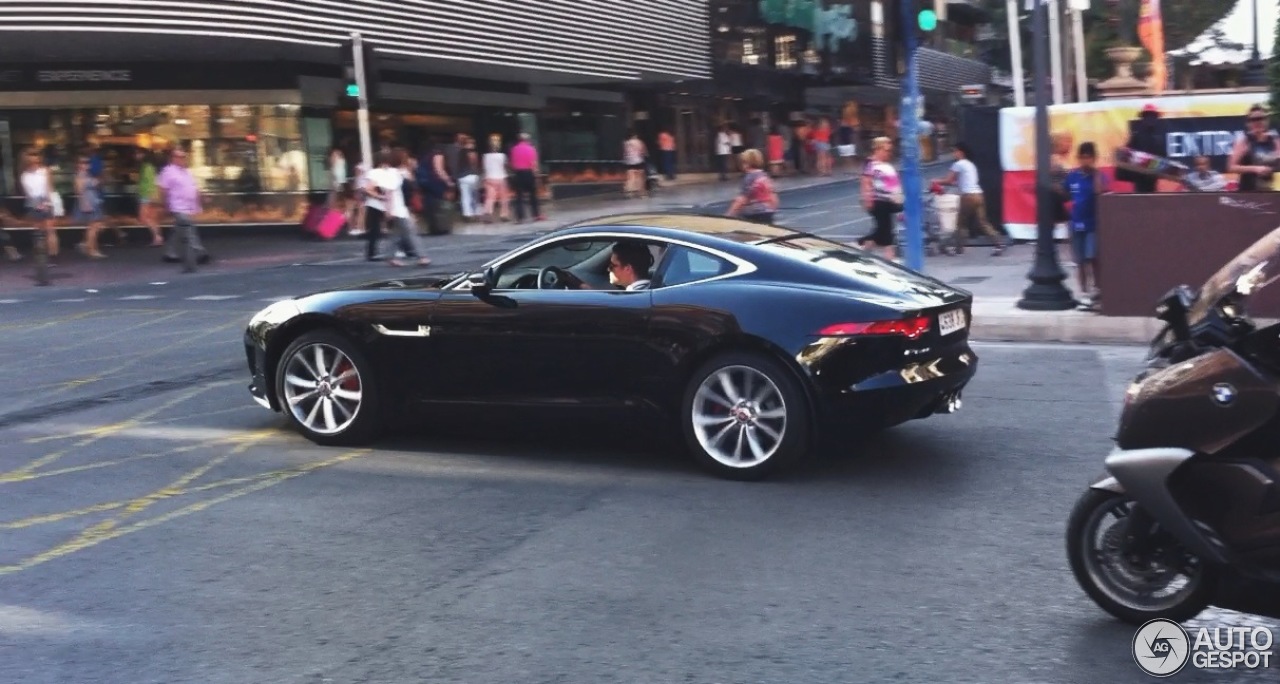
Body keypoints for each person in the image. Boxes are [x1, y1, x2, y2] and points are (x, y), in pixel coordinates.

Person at [1063, 142, 1109, 311]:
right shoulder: (1072, 176)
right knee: (1080, 261)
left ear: (1094, 158)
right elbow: (1065, 194)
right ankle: (1084, 293)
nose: (1085, 160)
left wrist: (1095, 172)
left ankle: (1098, 290)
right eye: (1083, 157)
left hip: (1093, 225)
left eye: (1089, 157)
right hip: (1076, 224)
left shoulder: (1099, 176)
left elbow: (1100, 191)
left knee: (1093, 258)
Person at [939, 142, 1006, 256]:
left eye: (954, 151)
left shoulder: (958, 164)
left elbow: (949, 180)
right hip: (978, 194)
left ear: (960, 152)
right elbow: (962, 181)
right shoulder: (970, 165)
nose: (953, 154)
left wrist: (935, 181)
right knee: (983, 222)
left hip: (968, 196)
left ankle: (958, 248)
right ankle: (998, 243)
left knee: (961, 223)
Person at [860, 136, 902, 261]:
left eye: (890, 150)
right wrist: (868, 199)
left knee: (883, 229)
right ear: (877, 149)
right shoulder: (870, 163)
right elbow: (865, 181)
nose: (889, 153)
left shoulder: (885, 164)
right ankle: (889, 257)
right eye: (886, 150)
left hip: (889, 200)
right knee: (886, 229)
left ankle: (865, 249)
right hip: (878, 200)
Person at [1228, 104, 1280, 192]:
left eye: (1260, 118)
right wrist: (1255, 169)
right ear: (1248, 123)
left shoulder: (1274, 141)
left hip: (1268, 190)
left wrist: (1272, 167)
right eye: (1253, 120)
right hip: (1248, 192)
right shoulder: (1244, 141)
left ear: (1266, 121)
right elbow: (1231, 167)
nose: (1257, 122)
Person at [1116, 103, 1165, 193]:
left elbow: (1164, 160)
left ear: (1156, 118)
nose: (1150, 119)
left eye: (1153, 116)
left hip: (1153, 180)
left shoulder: (1159, 139)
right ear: (1143, 118)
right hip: (1139, 181)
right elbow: (1126, 155)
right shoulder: (1136, 137)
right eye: (1147, 116)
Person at [566, 241, 653, 291]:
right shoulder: (646, 289)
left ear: (627, 269)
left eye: (612, 266)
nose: (608, 269)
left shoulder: (633, 296)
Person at [724, 149, 777, 224]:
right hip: (767, 210)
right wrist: (772, 209)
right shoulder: (764, 175)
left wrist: (729, 214)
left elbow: (742, 199)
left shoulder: (749, 178)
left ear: (746, 164)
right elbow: (772, 195)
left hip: (753, 213)